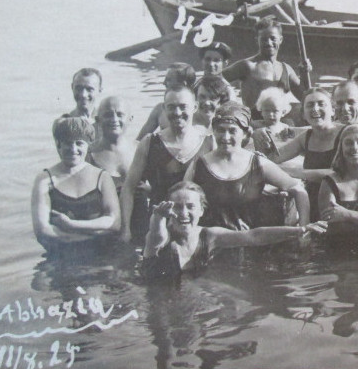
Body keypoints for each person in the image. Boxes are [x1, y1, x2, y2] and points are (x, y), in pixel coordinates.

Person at [141, 181, 323, 279]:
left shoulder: (209, 235)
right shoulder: (162, 235)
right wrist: (158, 217)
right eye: (177, 207)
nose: (184, 213)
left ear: (202, 210)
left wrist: (299, 230)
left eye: (190, 206)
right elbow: (156, 237)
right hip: (155, 296)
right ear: (168, 210)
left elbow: (254, 236)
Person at [186, 103, 309, 229]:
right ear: (214, 131)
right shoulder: (199, 165)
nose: (225, 137)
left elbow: (298, 189)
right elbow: (182, 197)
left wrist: (304, 229)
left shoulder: (257, 163)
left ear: (245, 134)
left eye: (232, 130)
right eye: (220, 130)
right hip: (213, 242)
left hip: (250, 240)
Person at [121, 86, 210, 244]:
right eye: (171, 107)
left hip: (196, 225)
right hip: (159, 225)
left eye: (183, 107)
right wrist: (126, 228)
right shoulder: (150, 142)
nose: (177, 113)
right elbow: (128, 188)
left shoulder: (208, 142)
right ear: (164, 108)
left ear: (195, 107)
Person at [31, 117, 120, 250]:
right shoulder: (44, 180)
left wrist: (72, 225)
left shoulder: (102, 177)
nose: (73, 149)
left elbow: (114, 222)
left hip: (100, 253)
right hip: (60, 255)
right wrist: (86, 238)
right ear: (58, 144)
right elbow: (42, 231)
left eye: (79, 143)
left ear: (88, 145)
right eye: (68, 143)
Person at [270, 87, 344, 219]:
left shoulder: (345, 134)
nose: (315, 109)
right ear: (303, 114)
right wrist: (257, 133)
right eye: (310, 105)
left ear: (333, 110)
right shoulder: (306, 137)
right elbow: (272, 159)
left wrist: (294, 172)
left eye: (321, 104)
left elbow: (339, 174)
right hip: (313, 201)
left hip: (341, 201)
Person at [221, 17, 308, 120]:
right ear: (256, 40)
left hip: (277, 124)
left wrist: (304, 74)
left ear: (280, 40)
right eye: (263, 39)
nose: (269, 43)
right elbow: (215, 81)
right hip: (253, 124)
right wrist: (229, 102)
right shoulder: (247, 65)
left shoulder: (287, 69)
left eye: (273, 38)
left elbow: (305, 98)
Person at [86, 96, 136, 194]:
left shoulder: (141, 149)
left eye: (120, 114)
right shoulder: (88, 153)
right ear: (98, 120)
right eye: (108, 115)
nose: (114, 119)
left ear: (130, 119)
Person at [136, 63, 198, 139]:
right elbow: (139, 141)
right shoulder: (159, 110)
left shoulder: (201, 110)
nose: (164, 83)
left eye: (168, 80)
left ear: (182, 84)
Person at [250, 86, 305, 158]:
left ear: (283, 112)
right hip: (259, 158)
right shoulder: (254, 125)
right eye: (267, 110)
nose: (270, 114)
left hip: (279, 158)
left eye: (275, 111)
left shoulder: (285, 128)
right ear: (261, 111)